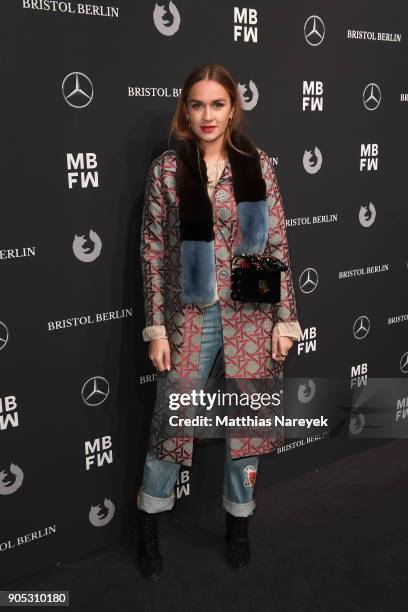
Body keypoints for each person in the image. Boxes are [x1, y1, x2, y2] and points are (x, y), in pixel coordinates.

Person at [135, 63, 302, 580]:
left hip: (251, 316)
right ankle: (149, 527)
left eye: (218, 104)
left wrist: (284, 320)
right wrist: (157, 329)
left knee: (244, 431)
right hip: (190, 316)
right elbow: (153, 252)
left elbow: (274, 246)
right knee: (173, 423)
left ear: (233, 108)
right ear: (185, 109)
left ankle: (238, 525)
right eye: (197, 104)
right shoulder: (167, 169)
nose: (207, 115)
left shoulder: (258, 164)